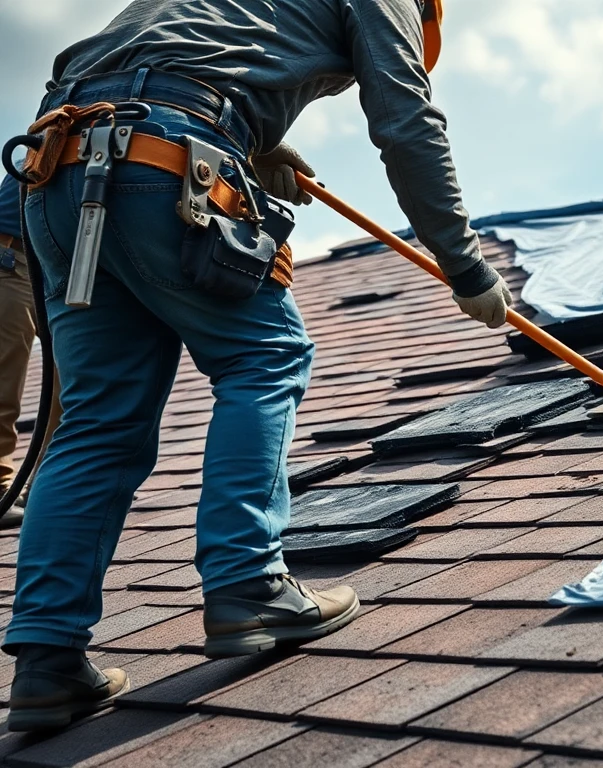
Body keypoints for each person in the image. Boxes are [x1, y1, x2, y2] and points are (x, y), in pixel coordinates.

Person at [5, 0, 512, 732]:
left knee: (97, 423)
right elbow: (405, 117)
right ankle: (249, 582)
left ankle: (46, 662)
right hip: (163, 159)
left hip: (53, 175)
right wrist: (463, 263)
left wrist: (253, 140)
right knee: (264, 357)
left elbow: (106, 72)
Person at [0, 175, 63, 530]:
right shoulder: (68, 127)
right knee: (4, 377)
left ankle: (47, 486)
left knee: (69, 380)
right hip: (11, 258)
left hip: (52, 266)